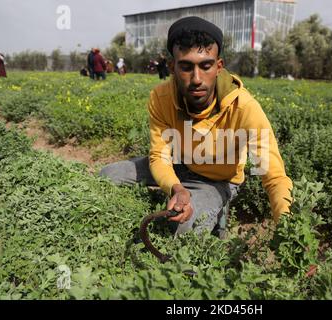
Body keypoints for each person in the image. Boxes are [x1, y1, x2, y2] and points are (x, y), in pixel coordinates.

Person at [99, 16, 293, 238]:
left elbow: (274, 177)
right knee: (108, 175)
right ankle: (176, 200)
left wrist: (290, 232)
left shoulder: (244, 108)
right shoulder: (160, 98)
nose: (197, 78)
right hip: (178, 163)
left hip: (219, 179)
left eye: (206, 65)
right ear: (172, 67)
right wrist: (176, 188)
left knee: (184, 230)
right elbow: (159, 157)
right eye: (186, 67)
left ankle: (215, 209)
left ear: (219, 67)